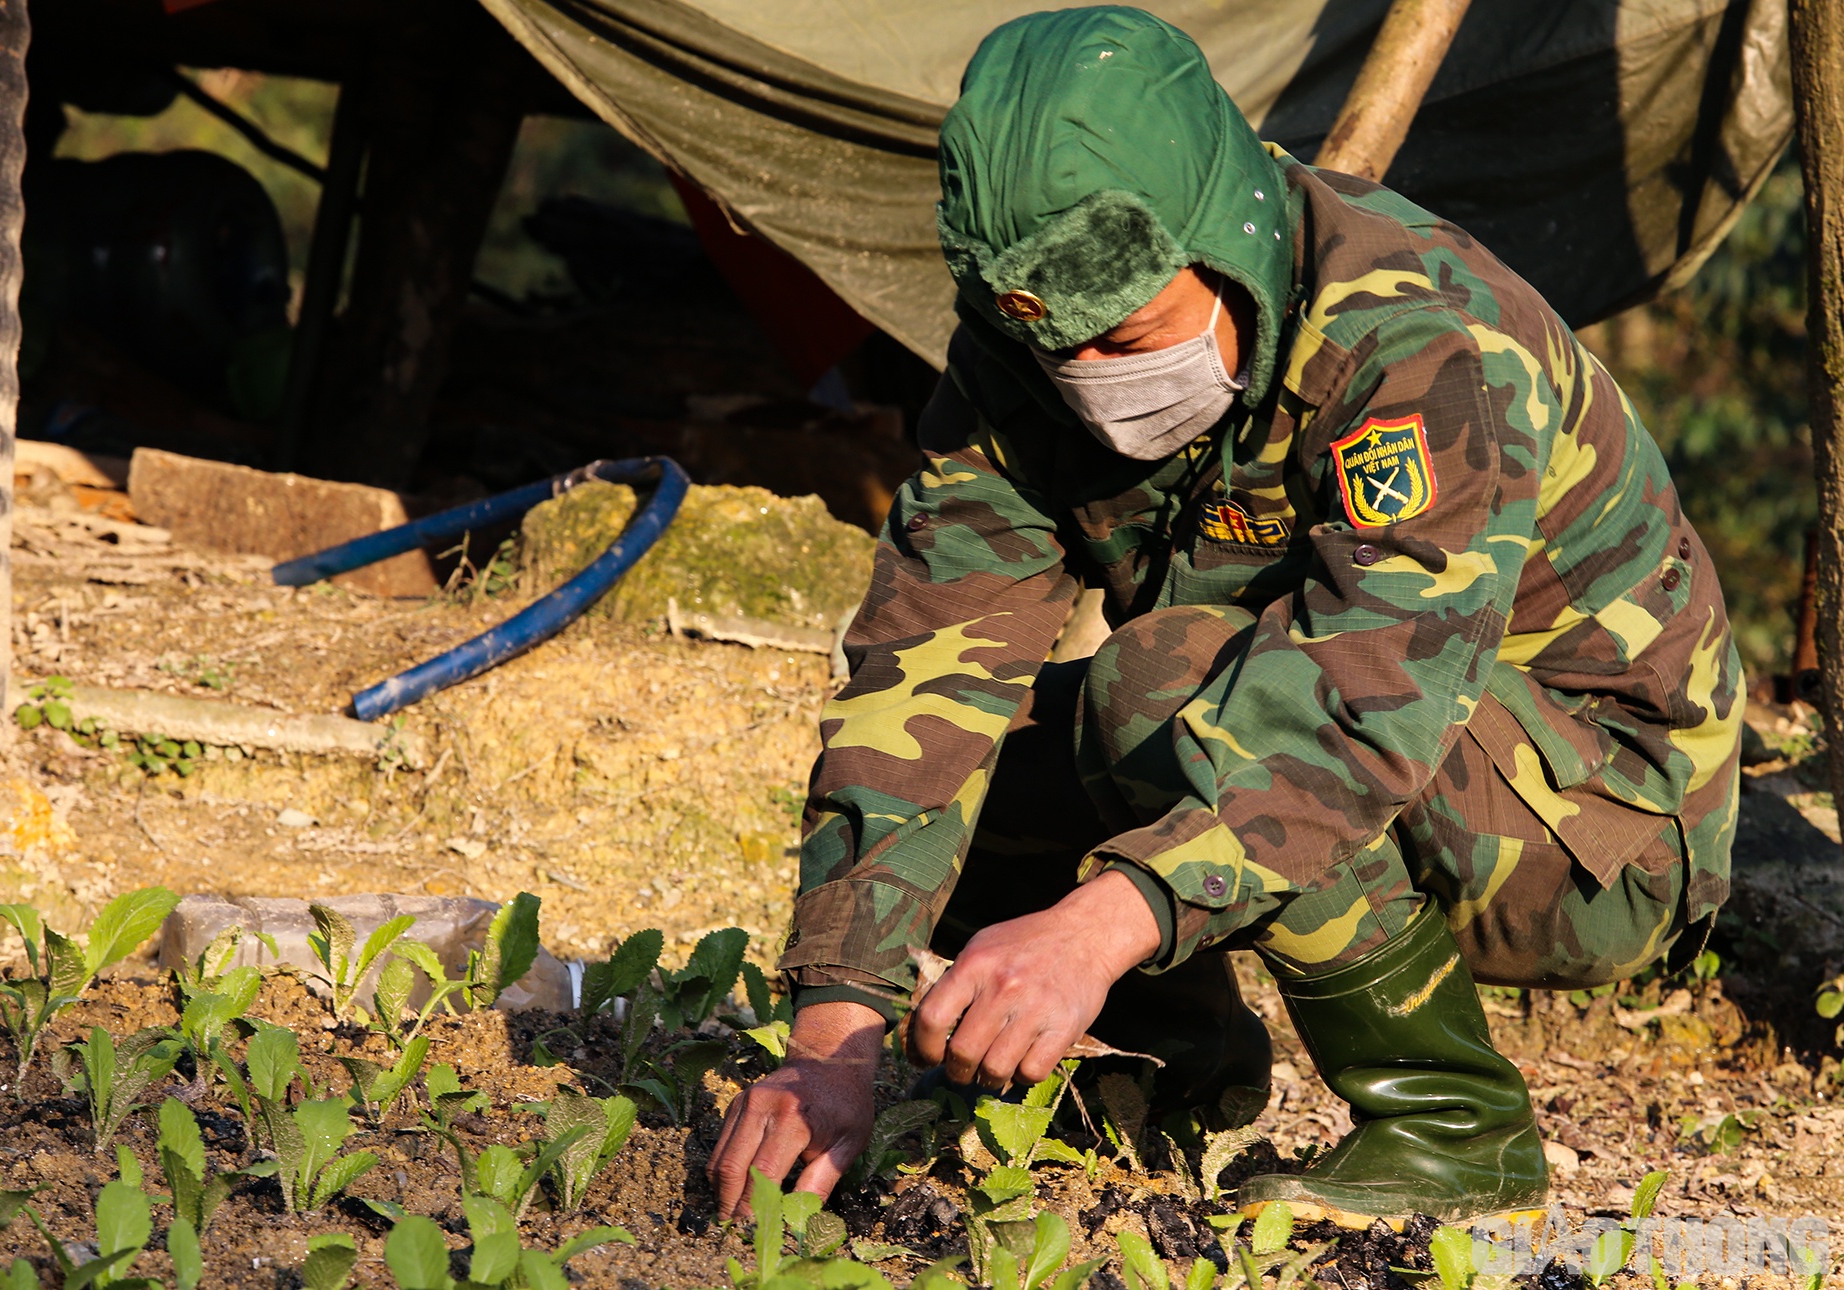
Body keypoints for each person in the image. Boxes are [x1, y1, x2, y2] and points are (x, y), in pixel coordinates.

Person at [708, 6, 1743, 1226]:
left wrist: (1099, 928)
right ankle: (1156, 1090)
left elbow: (1363, 711)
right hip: (1324, 716)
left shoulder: (1417, 345)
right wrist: (833, 1034)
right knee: (992, 773)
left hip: (1600, 824)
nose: (1093, 379)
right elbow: (925, 676)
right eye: (1059, 349)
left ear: (1227, 241)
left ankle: (1455, 1127)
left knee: (1158, 686)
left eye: (1128, 334)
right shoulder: (1023, 352)